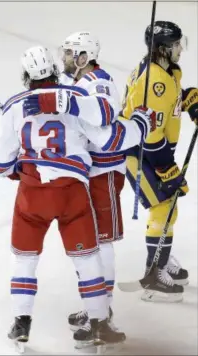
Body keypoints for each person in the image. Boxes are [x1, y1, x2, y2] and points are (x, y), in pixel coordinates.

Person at [0, 46, 156, 349]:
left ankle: (21, 323)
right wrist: (141, 125)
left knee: (25, 260)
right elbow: (111, 138)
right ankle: (100, 323)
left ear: (26, 76)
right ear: (54, 70)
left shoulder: (15, 106)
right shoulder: (76, 100)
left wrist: (18, 169)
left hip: (32, 193)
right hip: (72, 193)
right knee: (89, 260)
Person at [28, 31, 129, 333]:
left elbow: (99, 119)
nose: (65, 58)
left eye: (70, 53)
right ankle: (96, 307)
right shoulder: (81, 82)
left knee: (103, 241)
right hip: (92, 173)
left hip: (105, 172)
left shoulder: (96, 83)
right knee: (96, 241)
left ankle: (103, 309)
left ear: (84, 57)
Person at [121, 21, 198, 302]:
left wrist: (189, 102)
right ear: (164, 49)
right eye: (177, 44)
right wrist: (168, 169)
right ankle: (154, 275)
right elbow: (151, 136)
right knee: (162, 208)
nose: (181, 48)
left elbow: (171, 98)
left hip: (154, 152)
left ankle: (161, 261)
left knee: (168, 207)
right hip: (140, 154)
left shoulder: (167, 71)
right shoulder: (152, 83)